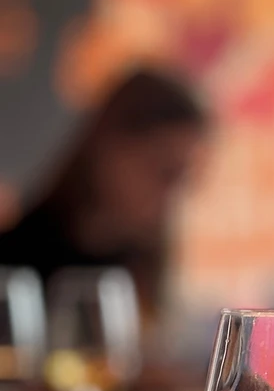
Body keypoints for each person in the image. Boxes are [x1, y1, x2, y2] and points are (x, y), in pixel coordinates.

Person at [0, 67, 208, 320]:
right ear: (109, 148)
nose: (173, 193)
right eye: (164, 171)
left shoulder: (145, 264)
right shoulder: (15, 264)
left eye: (184, 177)